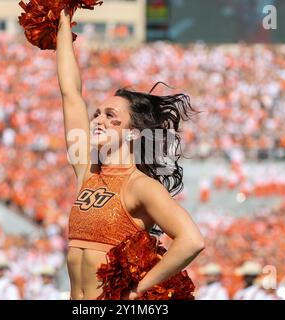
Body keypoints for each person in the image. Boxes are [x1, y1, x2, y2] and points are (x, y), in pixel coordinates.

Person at [56, 9, 205, 300]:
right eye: (96, 114)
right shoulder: (87, 169)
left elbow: (191, 240)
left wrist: (139, 290)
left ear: (133, 133)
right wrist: (61, 17)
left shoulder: (140, 187)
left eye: (110, 115)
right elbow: (70, 93)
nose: (97, 120)